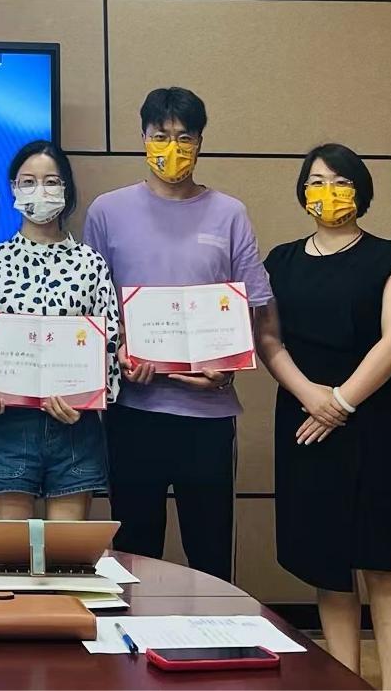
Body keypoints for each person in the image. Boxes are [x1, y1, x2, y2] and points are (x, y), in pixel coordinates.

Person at [83, 86, 272, 581]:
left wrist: (228, 366)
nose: (172, 147)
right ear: (143, 138)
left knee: (210, 551)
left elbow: (253, 304)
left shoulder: (230, 212)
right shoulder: (107, 211)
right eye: (160, 135)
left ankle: (214, 632)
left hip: (208, 415)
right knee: (134, 552)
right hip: (133, 410)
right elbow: (91, 306)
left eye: (184, 137)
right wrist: (118, 352)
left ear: (201, 142)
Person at [258, 143, 391, 691]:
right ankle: (347, 681)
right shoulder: (280, 261)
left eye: (340, 181)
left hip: (374, 422)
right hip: (304, 419)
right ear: (302, 191)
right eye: (316, 181)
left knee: (385, 562)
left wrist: (341, 403)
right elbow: (269, 339)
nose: (326, 192)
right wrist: (312, 396)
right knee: (327, 565)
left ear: (361, 191)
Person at [0, 141, 121, 520]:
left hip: (75, 428)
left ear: (66, 189)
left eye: (50, 181)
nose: (39, 191)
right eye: (28, 182)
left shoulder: (91, 264)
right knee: (14, 550)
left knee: (67, 552)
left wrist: (87, 397)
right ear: (14, 189)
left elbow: (109, 344)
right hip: (8, 428)